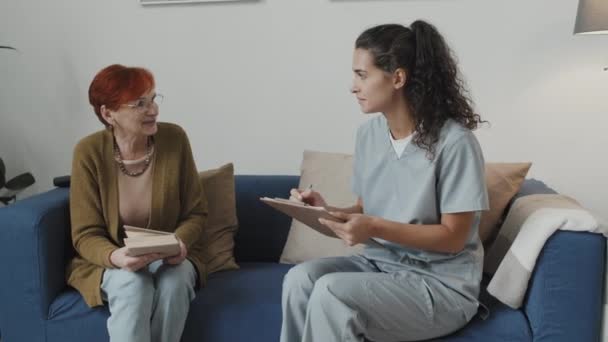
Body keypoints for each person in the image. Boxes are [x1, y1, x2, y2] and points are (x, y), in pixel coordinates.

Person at [281, 20, 489, 342]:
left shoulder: (455, 143)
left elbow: (453, 238)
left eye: (362, 75)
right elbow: (366, 209)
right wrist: (324, 210)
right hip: (380, 265)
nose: (352, 86)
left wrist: (374, 227)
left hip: (440, 284)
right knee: (300, 279)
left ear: (397, 78)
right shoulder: (368, 136)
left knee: (332, 292)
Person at [66, 64, 208, 342]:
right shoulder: (88, 152)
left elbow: (196, 213)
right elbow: (85, 234)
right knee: (133, 284)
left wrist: (178, 243)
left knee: (175, 281)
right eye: (139, 103)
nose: (153, 109)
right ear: (109, 114)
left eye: (154, 99)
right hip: (112, 260)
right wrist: (115, 257)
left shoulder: (174, 139)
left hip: (170, 257)